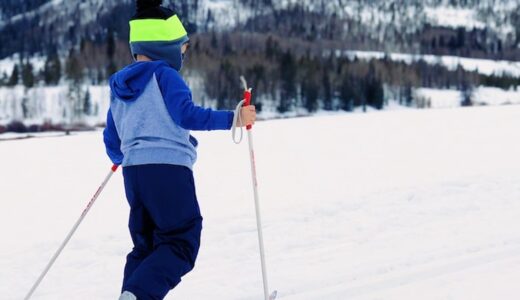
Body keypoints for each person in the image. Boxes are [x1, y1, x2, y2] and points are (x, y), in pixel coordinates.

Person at [102, 1, 256, 299]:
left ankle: (131, 294)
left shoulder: (120, 86)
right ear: (164, 46)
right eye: (181, 49)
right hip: (168, 169)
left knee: (145, 245)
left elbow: (112, 137)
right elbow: (186, 115)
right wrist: (234, 118)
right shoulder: (165, 75)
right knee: (181, 240)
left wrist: (119, 158)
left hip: (134, 175)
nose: (182, 57)